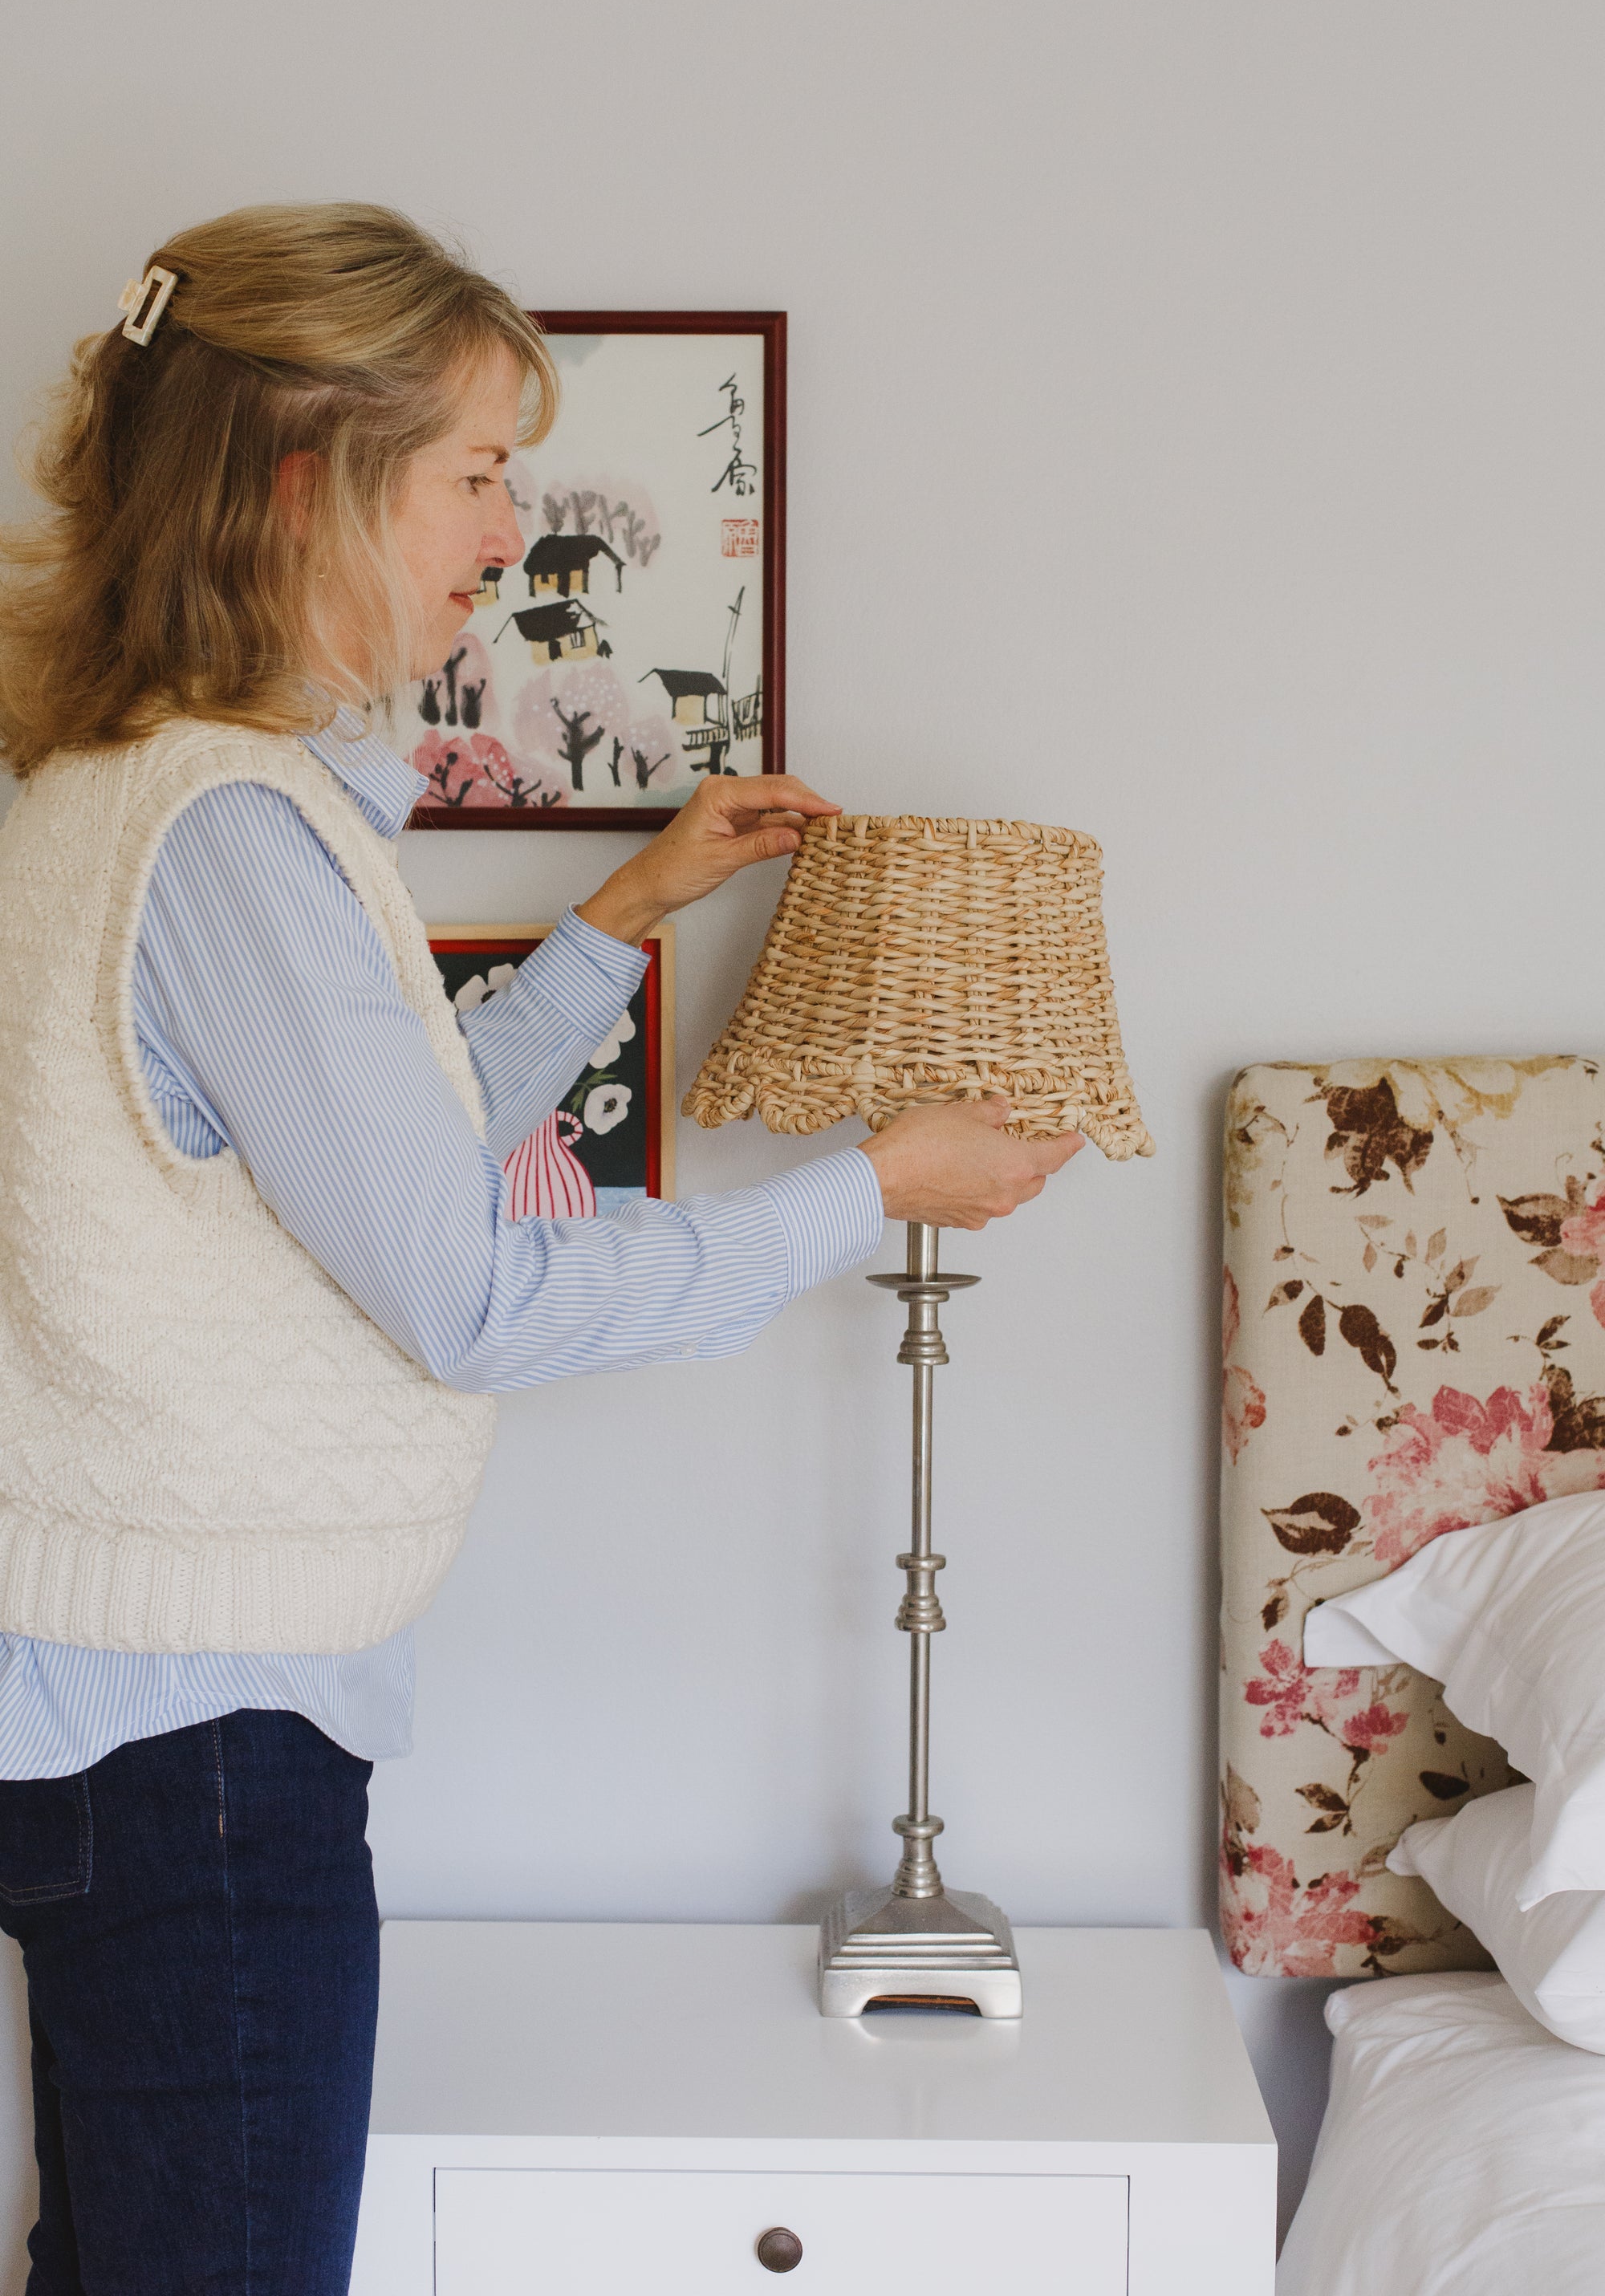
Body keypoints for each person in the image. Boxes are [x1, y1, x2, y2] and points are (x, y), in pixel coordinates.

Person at [0, 204, 1082, 2296]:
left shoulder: (106, 785)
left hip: (111, 1695)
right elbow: (468, 1294)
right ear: (311, 482)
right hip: (198, 1748)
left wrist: (621, 923)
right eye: (477, 470)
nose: (505, 527)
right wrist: (876, 1194)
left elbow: (348, 1172)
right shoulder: (236, 831)